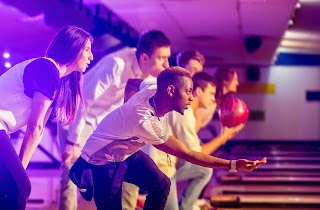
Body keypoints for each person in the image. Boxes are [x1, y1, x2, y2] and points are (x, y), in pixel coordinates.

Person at [69, 66, 267, 210]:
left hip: (125, 153)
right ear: (171, 91)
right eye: (188, 91)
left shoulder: (154, 87)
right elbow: (189, 154)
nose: (191, 97)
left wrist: (125, 111)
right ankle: (83, 176)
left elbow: (132, 82)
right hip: (101, 161)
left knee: (161, 184)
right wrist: (232, 165)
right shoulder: (145, 121)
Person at [58, 29, 171, 210]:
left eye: (168, 58)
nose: (166, 64)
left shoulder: (149, 78)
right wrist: (73, 141)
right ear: (144, 58)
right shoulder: (116, 64)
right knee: (71, 170)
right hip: (75, 115)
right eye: (162, 58)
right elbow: (82, 102)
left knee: (120, 167)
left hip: (101, 123)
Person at [0, 25, 93, 210]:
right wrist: (21, 172)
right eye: (87, 50)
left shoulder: (57, 81)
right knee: (20, 188)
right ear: (73, 47)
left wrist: (20, 169)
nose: (91, 56)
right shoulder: (47, 68)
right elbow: (34, 127)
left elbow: (39, 128)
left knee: (14, 188)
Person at [142, 72, 243, 210]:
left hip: (163, 164)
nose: (213, 99)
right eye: (211, 94)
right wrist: (224, 137)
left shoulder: (190, 113)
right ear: (199, 91)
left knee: (204, 171)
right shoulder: (186, 114)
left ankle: (186, 206)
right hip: (161, 168)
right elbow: (196, 156)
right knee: (203, 167)